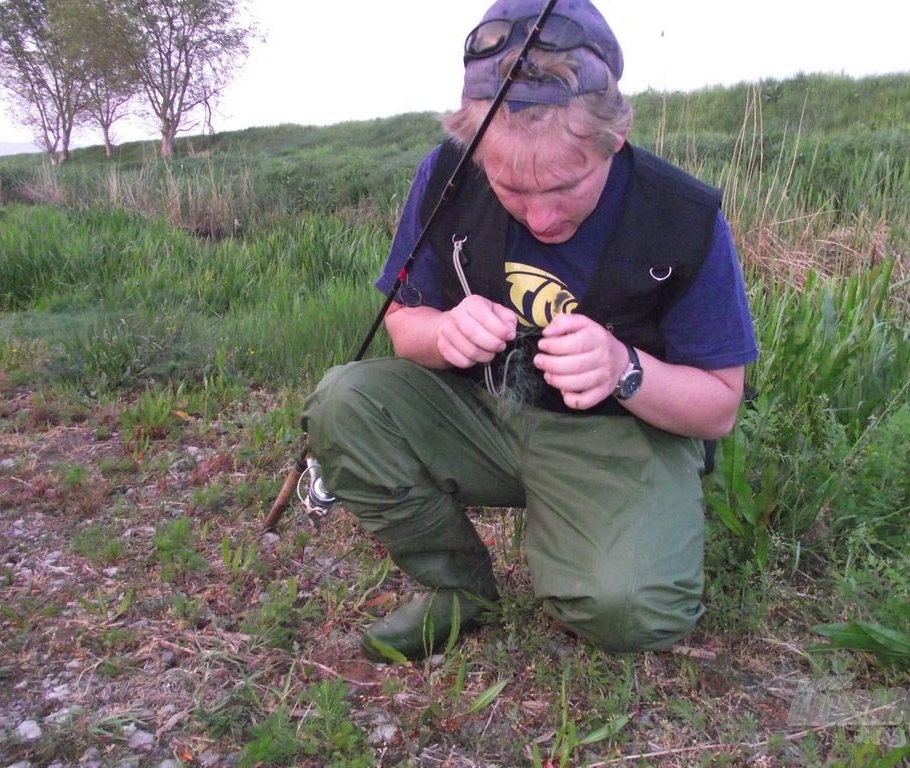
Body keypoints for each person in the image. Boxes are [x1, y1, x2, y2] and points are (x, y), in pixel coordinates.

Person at [302, 0, 758, 663]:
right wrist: (443, 332)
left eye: (567, 187)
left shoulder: (681, 218)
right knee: (343, 402)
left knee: (632, 613)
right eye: (512, 188)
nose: (541, 218)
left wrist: (625, 368)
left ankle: (591, 529)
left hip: (614, 434)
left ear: (616, 138)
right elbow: (403, 327)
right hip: (483, 413)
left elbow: (719, 406)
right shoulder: (447, 177)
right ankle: (457, 589)